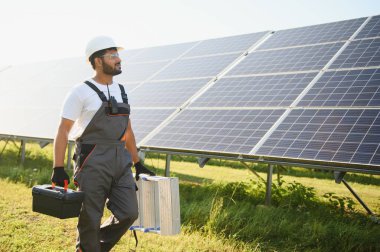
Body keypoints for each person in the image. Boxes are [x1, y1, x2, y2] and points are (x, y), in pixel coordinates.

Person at [51, 35, 155, 252]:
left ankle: (92, 246)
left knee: (129, 213)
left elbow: (127, 130)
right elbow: (63, 130)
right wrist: (58, 167)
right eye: (113, 55)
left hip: (120, 159)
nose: (119, 59)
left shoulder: (122, 91)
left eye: (118, 55)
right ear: (98, 61)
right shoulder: (80, 92)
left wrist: (137, 162)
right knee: (91, 215)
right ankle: (89, 248)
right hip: (92, 158)